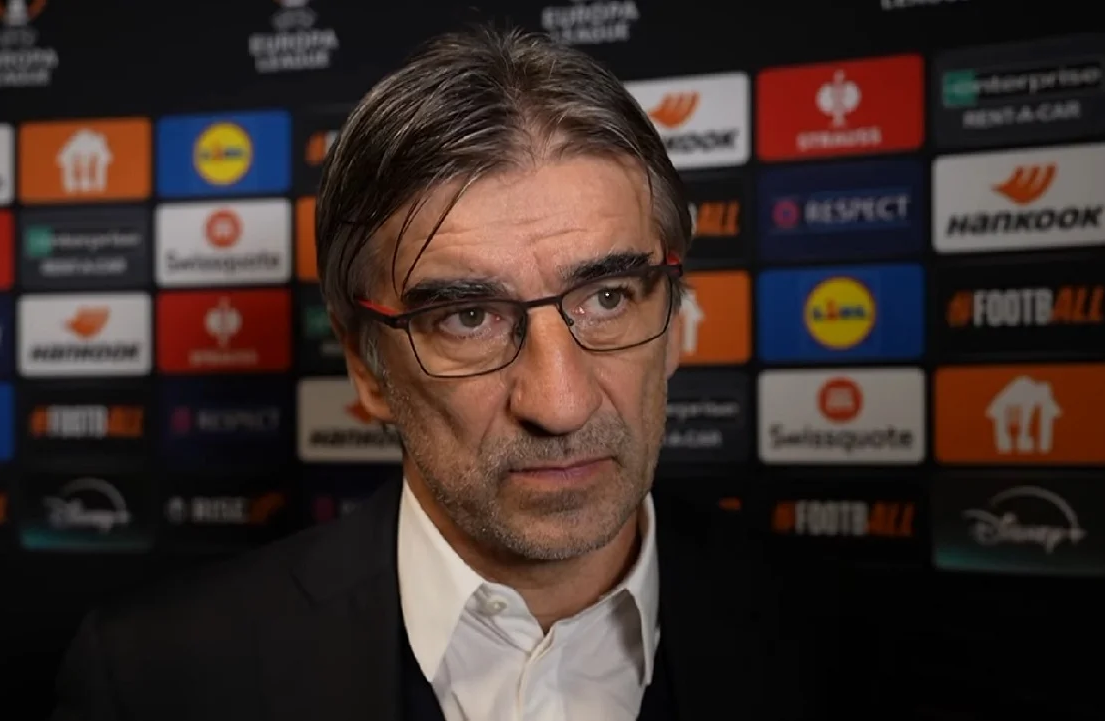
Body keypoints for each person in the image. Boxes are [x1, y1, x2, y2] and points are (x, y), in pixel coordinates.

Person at [51, 25, 888, 721]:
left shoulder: (850, 632)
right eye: (467, 316)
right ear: (367, 367)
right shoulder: (153, 680)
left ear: (672, 319)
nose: (559, 402)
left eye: (606, 297)